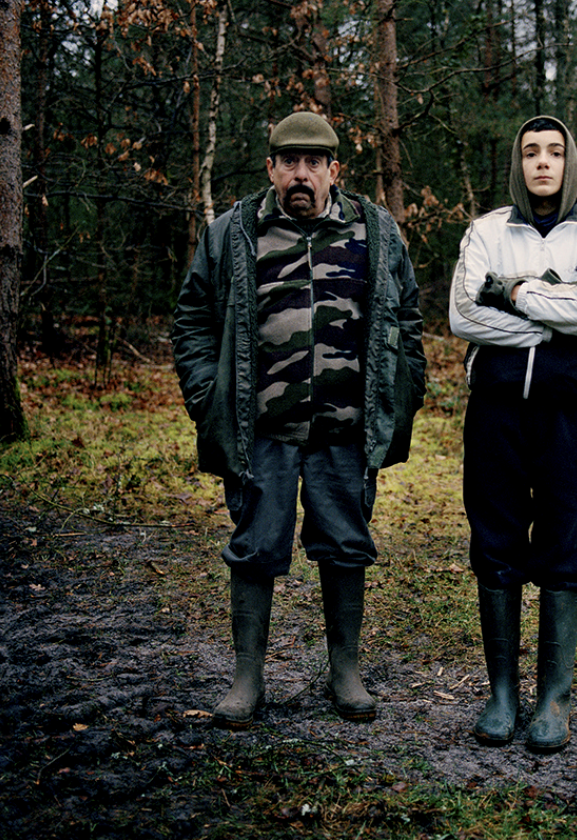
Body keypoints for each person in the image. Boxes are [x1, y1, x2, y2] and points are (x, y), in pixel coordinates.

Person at [172, 111, 426, 728]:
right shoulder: (233, 232)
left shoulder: (376, 232)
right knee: (256, 548)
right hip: (262, 433)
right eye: (290, 162)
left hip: (345, 430)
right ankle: (246, 677)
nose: (301, 175)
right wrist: (211, 399)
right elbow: (193, 323)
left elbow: (409, 321)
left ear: (334, 170)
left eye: (314, 163)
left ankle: (345, 671)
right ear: (271, 168)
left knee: (345, 546)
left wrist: (402, 396)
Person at [448, 115, 577, 752]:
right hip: (495, 413)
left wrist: (516, 294)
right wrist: (556, 314)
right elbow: (463, 312)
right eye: (531, 152)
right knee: (494, 542)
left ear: (569, 161)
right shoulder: (487, 230)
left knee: (561, 544)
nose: (543, 162)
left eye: (554, 152)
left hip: (566, 416)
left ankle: (554, 699)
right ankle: (503, 695)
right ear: (518, 162)